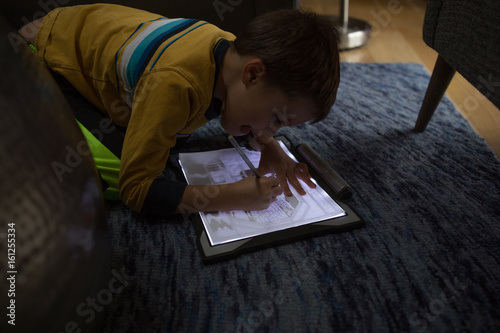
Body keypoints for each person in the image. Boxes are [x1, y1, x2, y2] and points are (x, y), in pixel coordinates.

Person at [18, 4, 340, 216]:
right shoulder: (175, 84)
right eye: (275, 119)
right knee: (120, 173)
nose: (270, 131)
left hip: (80, 32)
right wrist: (230, 197)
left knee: (169, 137)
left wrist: (270, 146)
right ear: (252, 74)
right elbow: (137, 190)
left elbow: (251, 115)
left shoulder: (233, 52)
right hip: (44, 59)